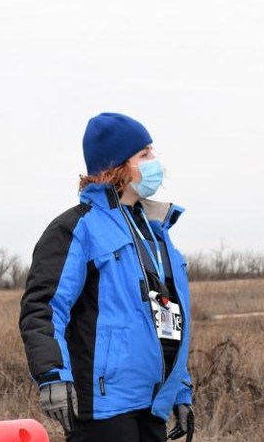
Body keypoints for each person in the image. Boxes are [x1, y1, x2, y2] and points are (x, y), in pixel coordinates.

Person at [19, 112, 195, 442]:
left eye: (152, 152)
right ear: (117, 166)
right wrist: (52, 375)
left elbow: (167, 319)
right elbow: (43, 307)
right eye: (144, 154)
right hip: (103, 408)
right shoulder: (77, 228)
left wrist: (180, 392)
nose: (155, 162)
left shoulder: (157, 235)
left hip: (151, 404)